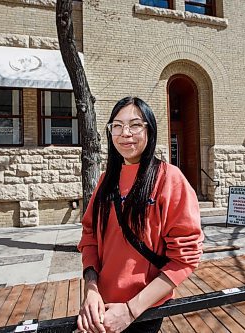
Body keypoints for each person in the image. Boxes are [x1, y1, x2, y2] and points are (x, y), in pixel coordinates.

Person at [77, 97, 204, 333]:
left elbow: (185, 258)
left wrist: (130, 311)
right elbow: (89, 237)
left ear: (150, 130)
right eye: (117, 125)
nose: (125, 133)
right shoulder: (105, 180)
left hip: (143, 310)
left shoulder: (169, 179)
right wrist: (91, 290)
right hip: (100, 307)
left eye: (135, 125)